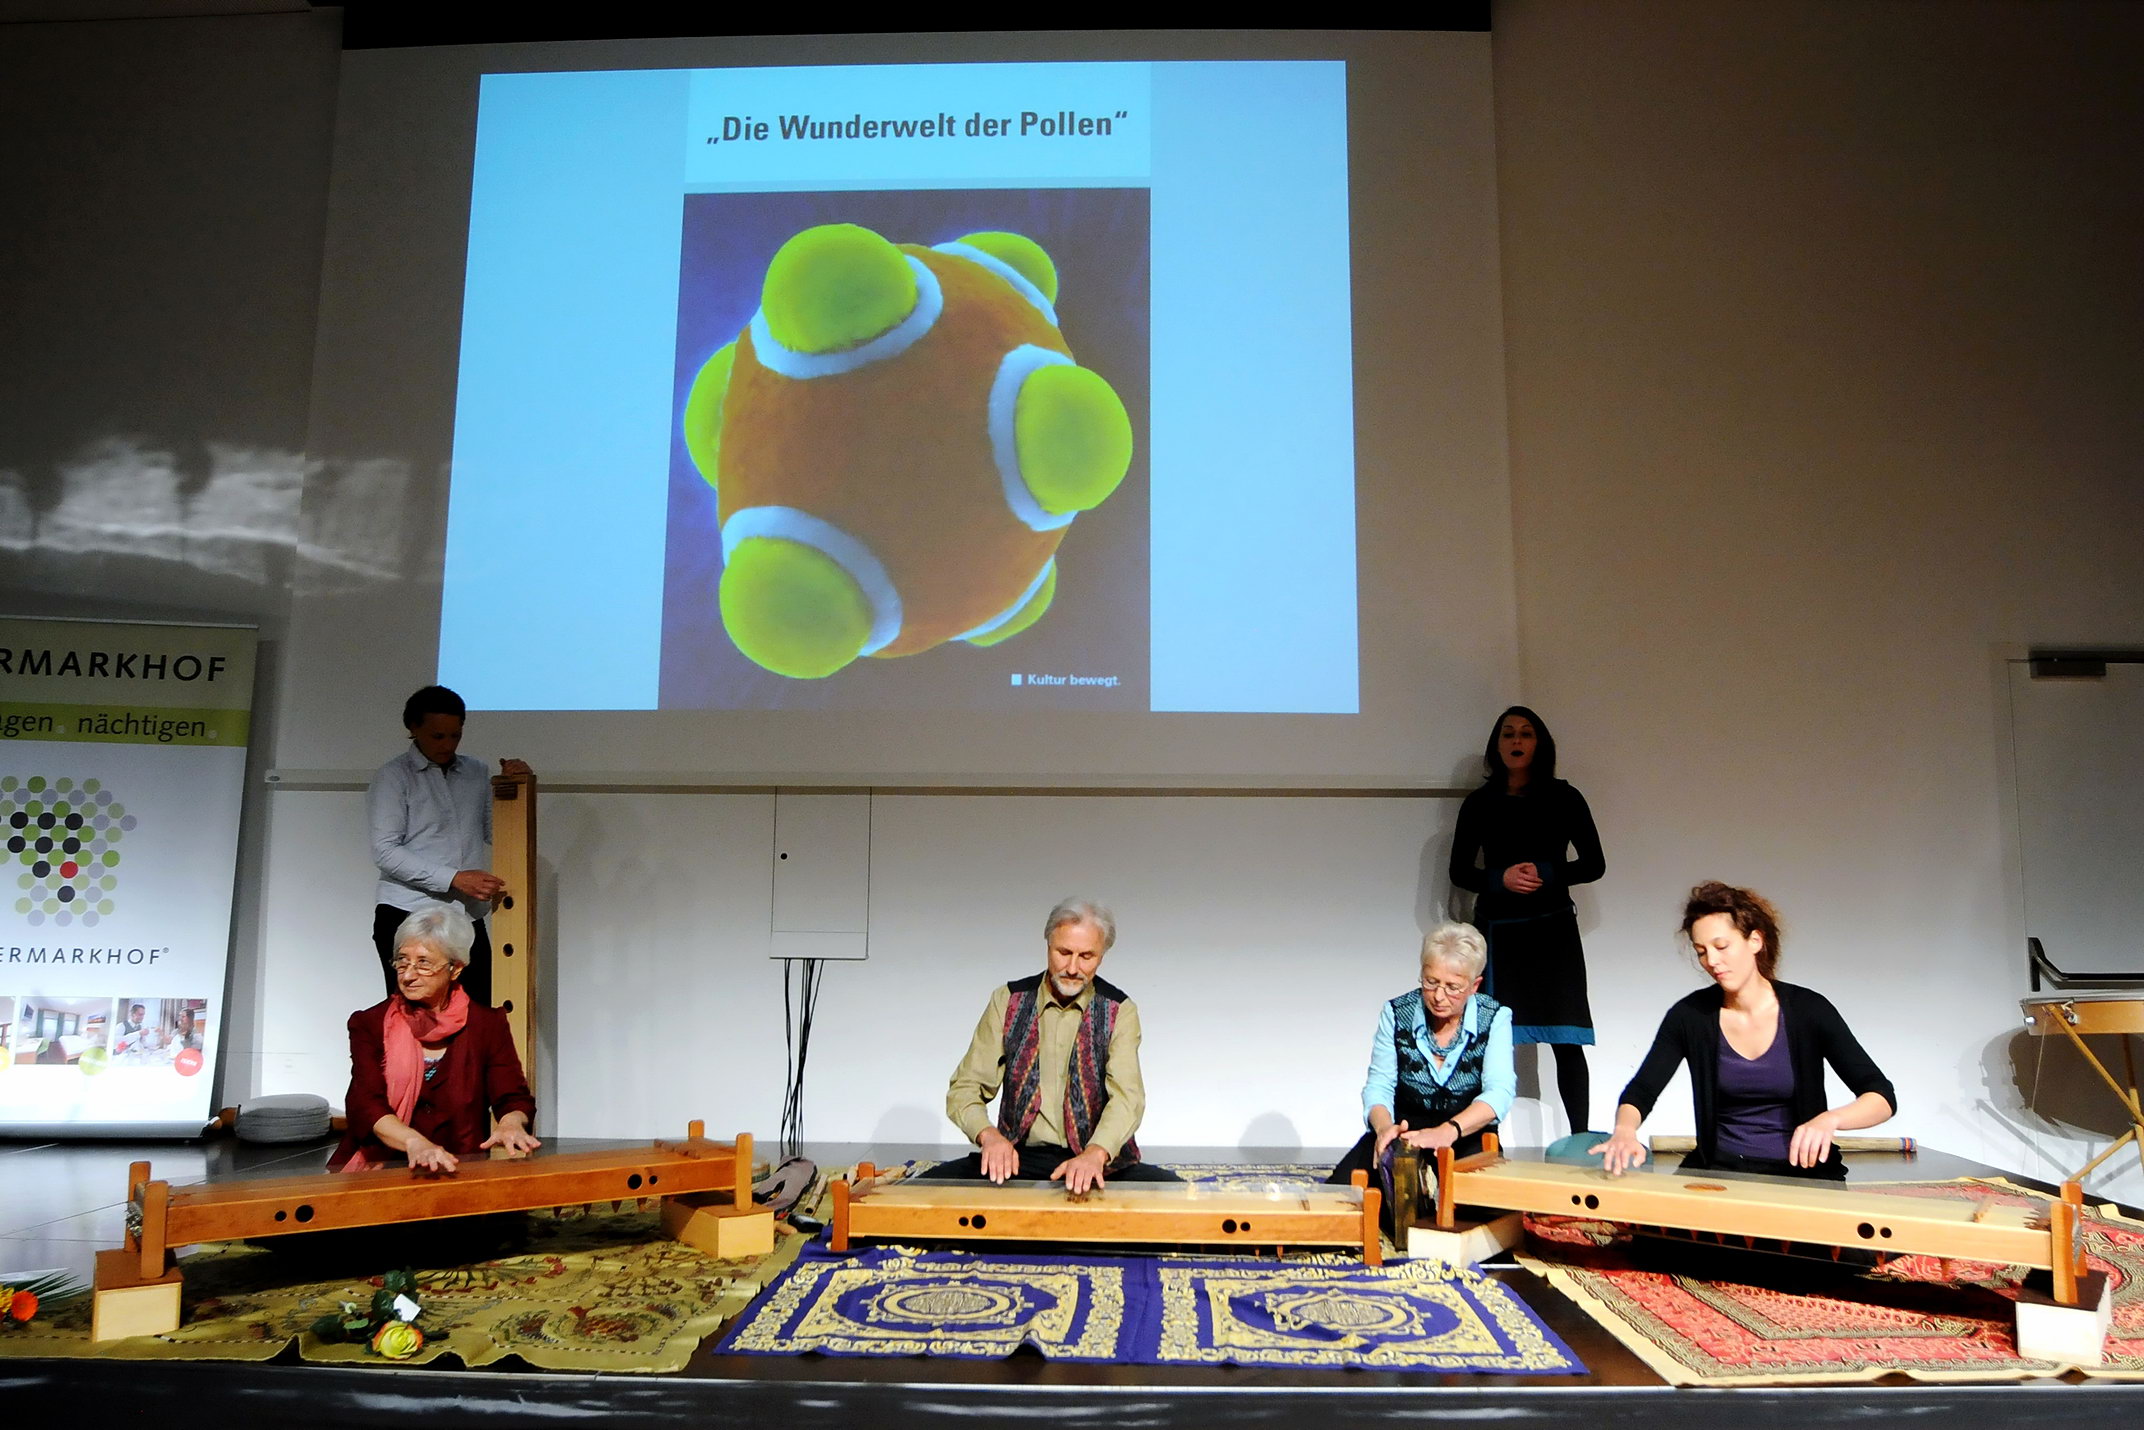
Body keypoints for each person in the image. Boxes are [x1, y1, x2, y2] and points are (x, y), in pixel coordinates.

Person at [1592, 882, 1896, 1181]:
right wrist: (1624, 1130)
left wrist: (1829, 1120)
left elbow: (1881, 1097)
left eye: (1722, 946)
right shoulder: (1690, 1016)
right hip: (1719, 1170)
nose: (1712, 961)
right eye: (1701, 951)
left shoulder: (1809, 1010)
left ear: (1755, 941)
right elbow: (1642, 1090)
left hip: (1803, 1174)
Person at [931, 898, 1180, 1193]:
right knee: (921, 1192)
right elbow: (966, 1087)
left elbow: (1128, 1099)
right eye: (1064, 953)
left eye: (1086, 956)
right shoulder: (1007, 1000)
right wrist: (989, 1137)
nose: (1072, 968)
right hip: (1019, 1158)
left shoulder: (1120, 1010)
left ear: (1102, 956)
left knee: (1177, 1199)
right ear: (1048, 944)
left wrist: (1096, 1153)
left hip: (1095, 1160)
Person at [1448, 705, 1605, 1134]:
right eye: (1508, 734)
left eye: (1526, 733)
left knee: (1567, 1041)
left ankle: (1579, 1139)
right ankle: (1486, 1145)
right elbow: (1460, 872)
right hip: (1500, 936)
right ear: (1496, 746)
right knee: (1492, 1046)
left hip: (1553, 933)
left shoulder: (1565, 798)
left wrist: (1547, 873)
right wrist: (1499, 879)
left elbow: (1594, 864)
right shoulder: (1479, 803)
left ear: (1540, 744)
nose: (1516, 741)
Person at [329, 902, 539, 1174]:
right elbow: (365, 1104)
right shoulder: (370, 1023)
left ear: (455, 968)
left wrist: (511, 1123)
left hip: (459, 1167)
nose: (408, 975)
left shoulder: (487, 1024)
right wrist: (414, 1142)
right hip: (382, 1166)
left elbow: (512, 1096)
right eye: (402, 961)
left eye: (423, 963)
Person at [366, 685, 528, 1007]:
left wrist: (517, 788)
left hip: (464, 916)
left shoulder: (475, 771)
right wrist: (455, 878)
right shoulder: (393, 776)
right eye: (438, 736)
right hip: (408, 911)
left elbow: (497, 833)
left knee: (477, 1014)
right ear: (413, 728)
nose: (448, 745)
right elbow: (385, 850)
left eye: (456, 735)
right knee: (415, 1017)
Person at [1329, 922, 1516, 1184]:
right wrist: (1384, 1128)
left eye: (1452, 987)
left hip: (1465, 1135)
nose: (1439, 996)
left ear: (1474, 985)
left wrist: (1447, 1131)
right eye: (1431, 982)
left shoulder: (1495, 1017)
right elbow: (1379, 1085)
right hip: (1404, 1133)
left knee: (1478, 1203)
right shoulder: (1396, 1013)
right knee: (1342, 1194)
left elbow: (1499, 1092)